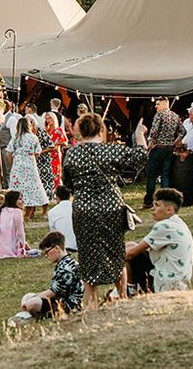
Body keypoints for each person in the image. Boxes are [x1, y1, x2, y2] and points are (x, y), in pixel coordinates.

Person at [62, 113, 147, 310]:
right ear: (101, 130)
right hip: (111, 206)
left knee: (87, 253)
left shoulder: (72, 154)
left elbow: (67, 183)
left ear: (81, 132)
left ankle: (91, 304)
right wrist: (140, 135)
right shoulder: (110, 151)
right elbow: (140, 158)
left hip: (84, 209)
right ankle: (122, 296)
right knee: (116, 251)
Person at [125, 188, 193, 293]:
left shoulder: (164, 226)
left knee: (128, 253)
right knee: (131, 245)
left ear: (169, 210)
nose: (152, 209)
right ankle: (130, 288)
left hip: (166, 284)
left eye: (156, 205)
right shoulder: (178, 222)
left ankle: (130, 290)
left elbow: (130, 254)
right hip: (180, 281)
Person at [12, 231, 84, 325]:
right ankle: (28, 314)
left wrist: (34, 298)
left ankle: (31, 316)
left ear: (57, 248)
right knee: (28, 296)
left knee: (32, 303)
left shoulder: (66, 268)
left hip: (68, 305)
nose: (46, 256)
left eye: (47, 252)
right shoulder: (64, 263)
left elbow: (53, 292)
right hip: (60, 299)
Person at [142, 97, 185, 209]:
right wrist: (175, 142)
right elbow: (183, 131)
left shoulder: (159, 115)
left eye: (158, 104)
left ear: (166, 104)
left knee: (151, 175)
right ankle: (163, 201)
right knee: (165, 175)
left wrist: (150, 142)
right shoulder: (175, 116)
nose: (156, 106)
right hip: (169, 149)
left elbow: (154, 131)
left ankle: (148, 201)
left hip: (158, 148)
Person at [6, 118, 49, 220]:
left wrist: (13, 164)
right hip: (30, 164)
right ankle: (34, 212)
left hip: (18, 164)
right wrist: (33, 158)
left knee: (17, 188)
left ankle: (17, 210)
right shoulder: (33, 138)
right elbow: (38, 152)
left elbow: (8, 153)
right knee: (34, 186)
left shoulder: (15, 138)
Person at [47, 185, 77, 252]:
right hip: (77, 245)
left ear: (57, 197)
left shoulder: (52, 212)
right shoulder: (76, 209)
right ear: (70, 195)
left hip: (61, 246)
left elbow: (53, 232)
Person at [34, 116, 55, 207]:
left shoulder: (41, 132)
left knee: (46, 180)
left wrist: (40, 152)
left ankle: (48, 200)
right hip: (35, 162)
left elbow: (51, 146)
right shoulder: (29, 134)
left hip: (44, 161)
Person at [44, 111, 68, 190]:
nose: (48, 120)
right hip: (47, 155)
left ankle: (58, 191)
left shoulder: (59, 130)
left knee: (56, 173)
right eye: (46, 119)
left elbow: (66, 142)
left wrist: (58, 143)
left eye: (50, 118)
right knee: (48, 173)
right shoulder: (46, 131)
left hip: (56, 155)